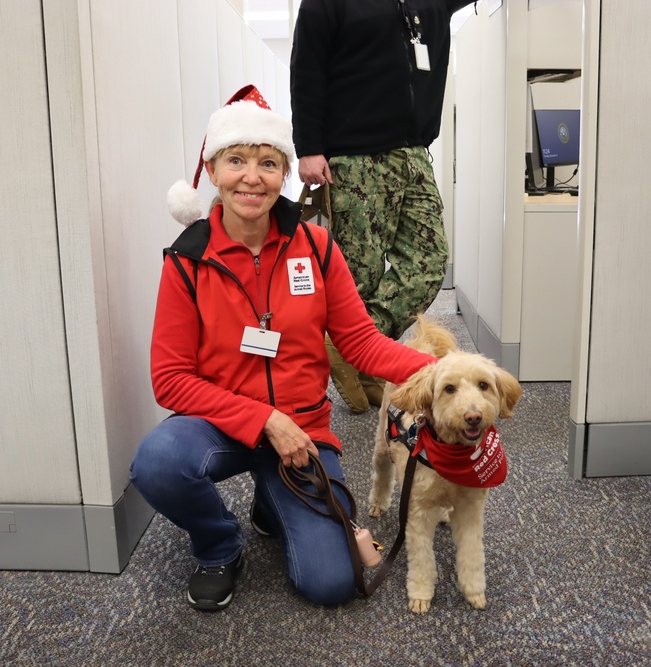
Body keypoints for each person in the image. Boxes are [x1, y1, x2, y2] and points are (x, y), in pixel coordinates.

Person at [130, 85, 437, 612]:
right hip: (222, 426)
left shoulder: (316, 248)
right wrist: (265, 419)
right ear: (214, 170)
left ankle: (272, 505)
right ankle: (218, 545)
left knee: (331, 584)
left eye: (268, 163)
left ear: (284, 174)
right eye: (237, 160)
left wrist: (442, 370)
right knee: (158, 461)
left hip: (304, 430)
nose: (252, 176)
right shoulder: (187, 261)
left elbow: (361, 342)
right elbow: (171, 380)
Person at [290, 0, 475, 414]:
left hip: (415, 153)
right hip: (355, 158)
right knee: (361, 272)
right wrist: (309, 148)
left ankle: (353, 344)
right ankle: (361, 355)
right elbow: (306, 70)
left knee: (429, 263)